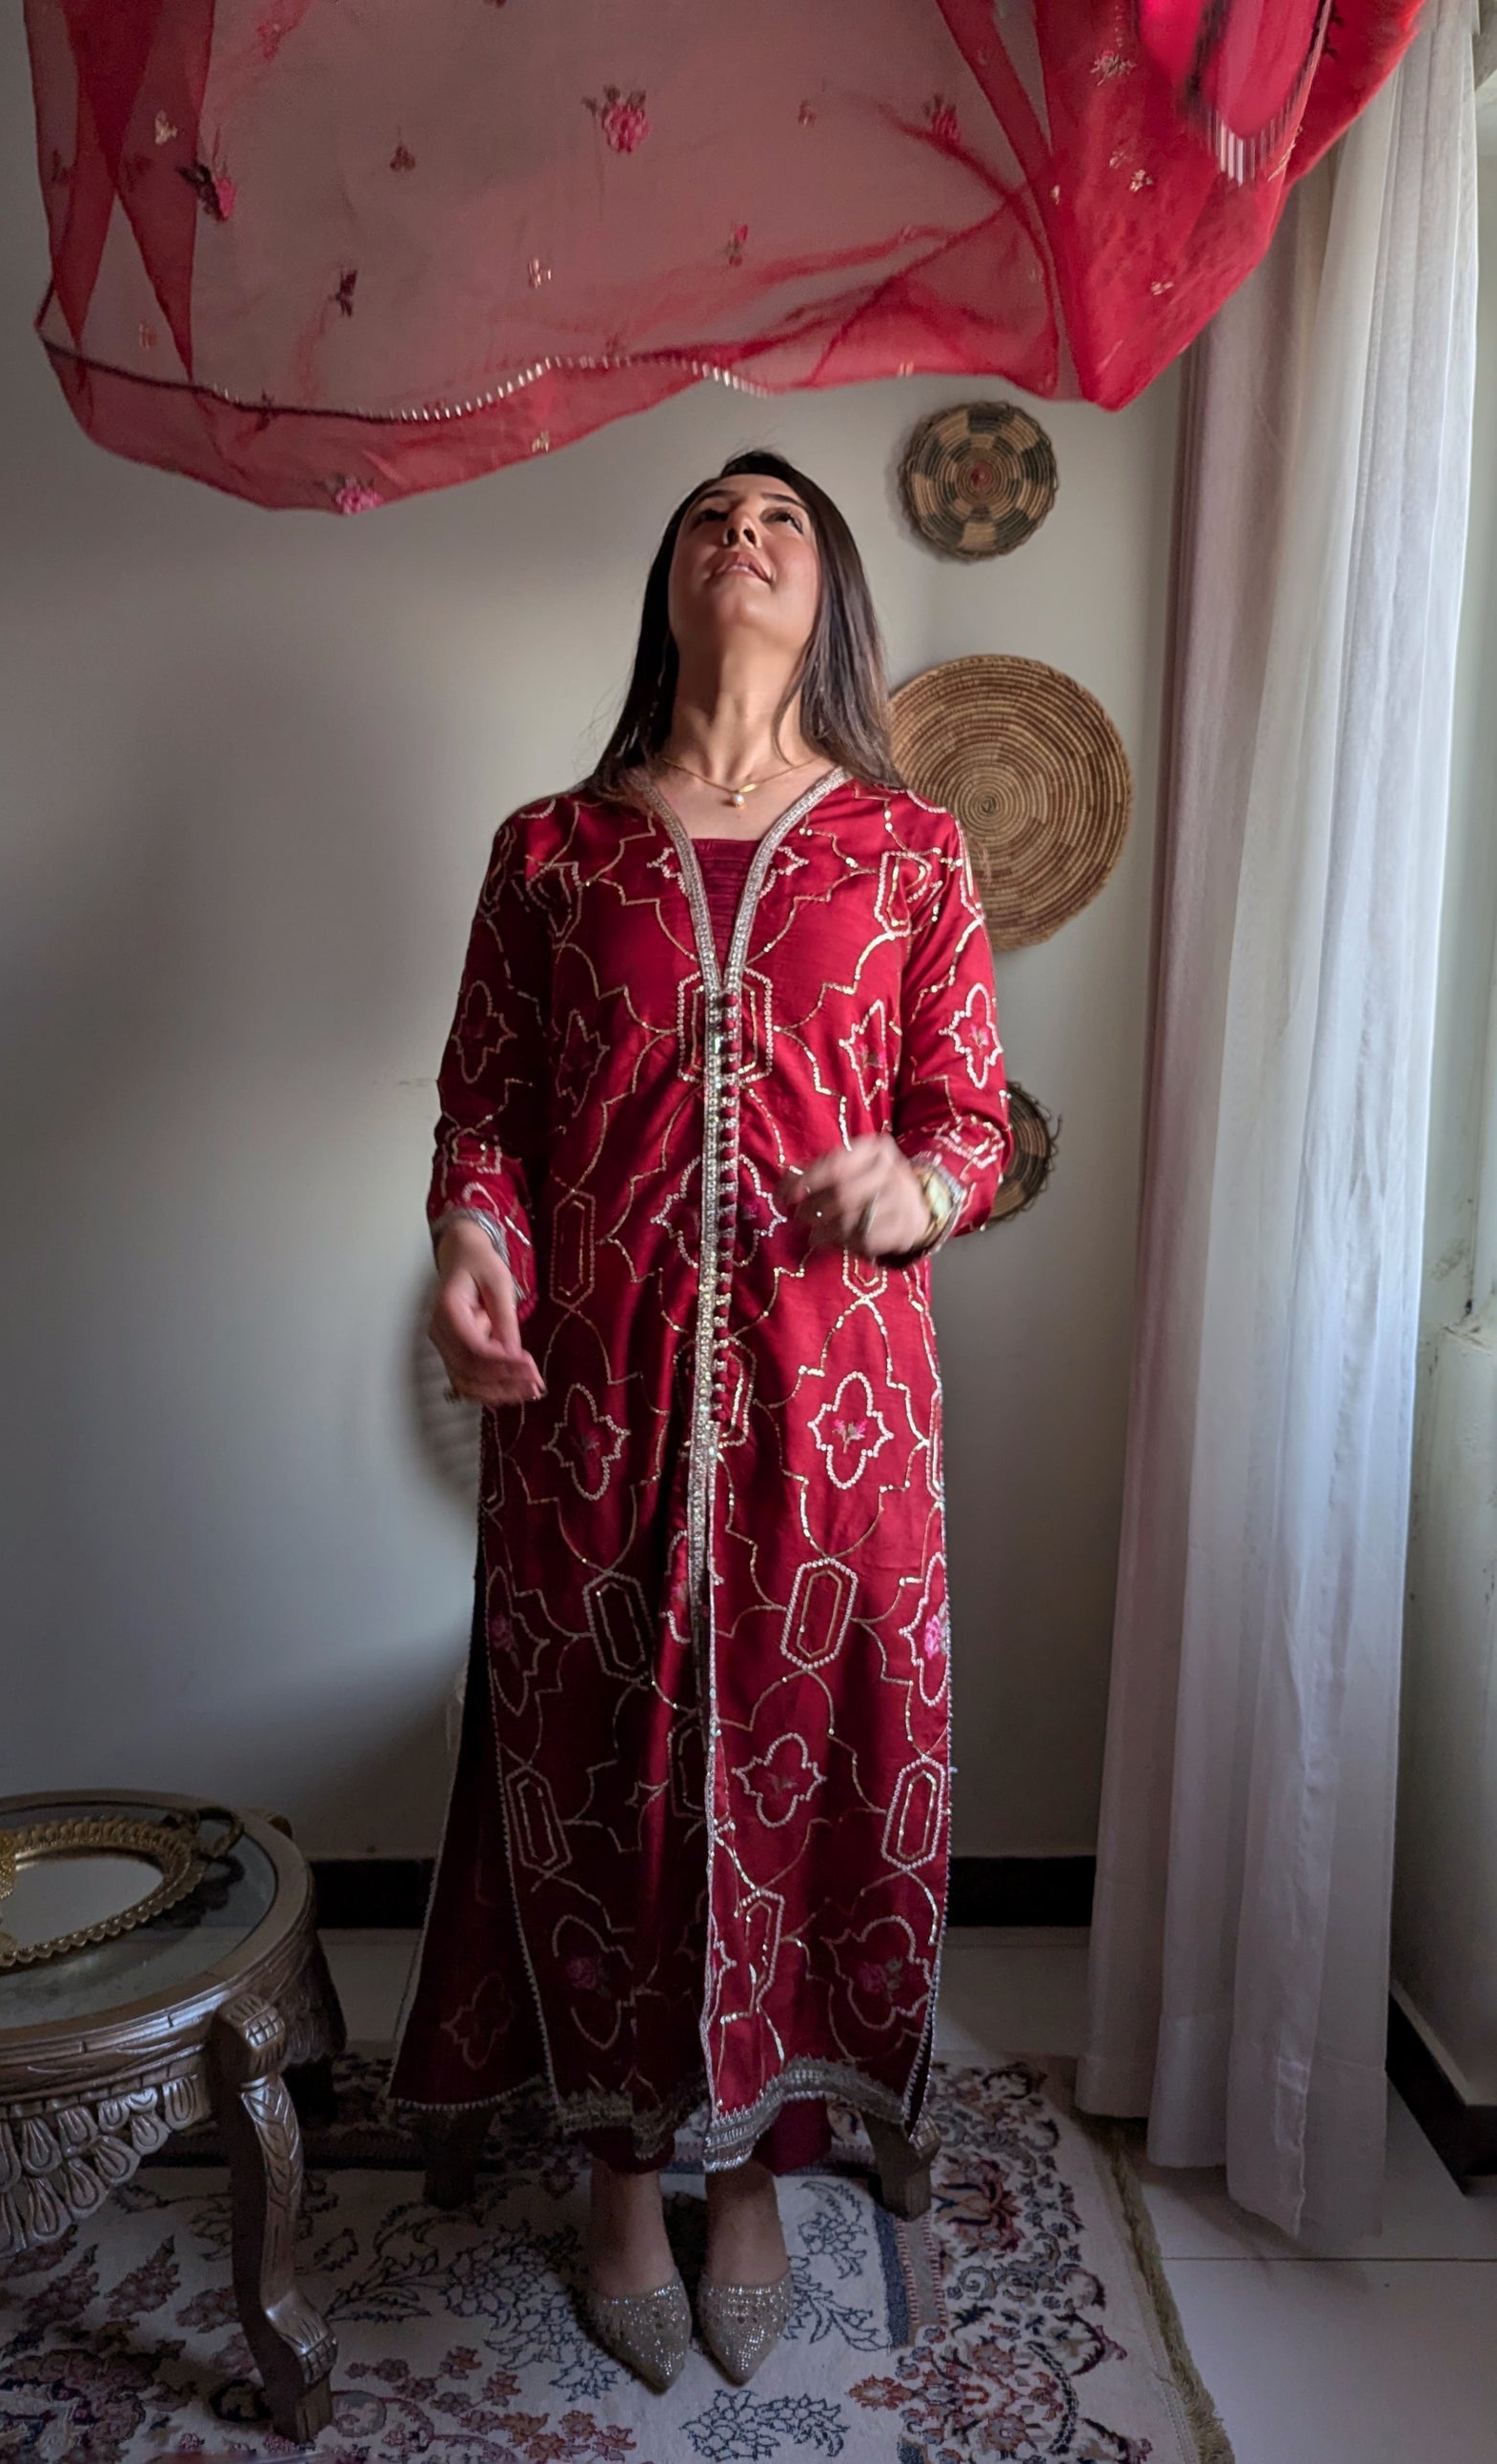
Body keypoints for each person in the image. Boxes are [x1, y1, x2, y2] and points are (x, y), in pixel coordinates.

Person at [389, 450, 1010, 2392]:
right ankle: (617, 2177)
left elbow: (969, 1117)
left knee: (806, 1773)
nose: (742, 541)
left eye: (781, 525)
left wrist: (916, 1188)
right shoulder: (551, 849)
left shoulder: (908, 848)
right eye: (708, 524)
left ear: (828, 595)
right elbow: (484, 1112)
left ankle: (753, 2168)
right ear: (665, 585)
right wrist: (470, 1242)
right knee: (601, 1762)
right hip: (596, 1403)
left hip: (836, 1417)